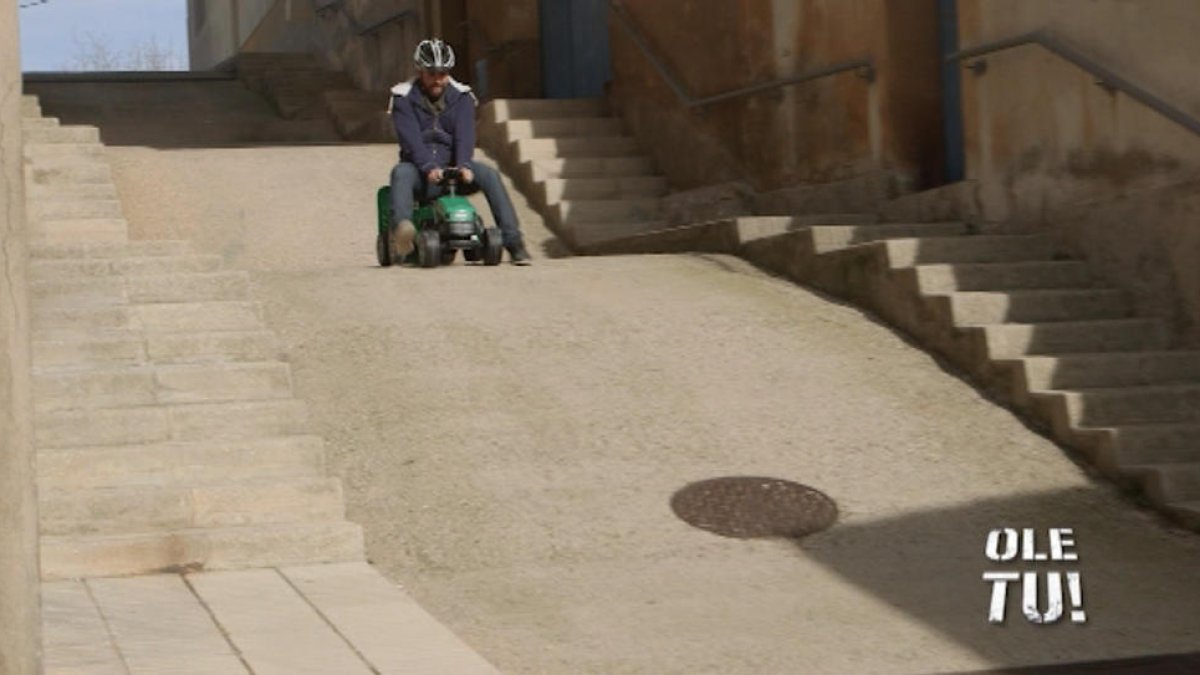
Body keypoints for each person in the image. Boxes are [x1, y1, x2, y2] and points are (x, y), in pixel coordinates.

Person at [388, 38, 532, 265]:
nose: (438, 79)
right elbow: (411, 141)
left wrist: (464, 165)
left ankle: (514, 243)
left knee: (489, 175)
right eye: (432, 74)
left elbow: (465, 135)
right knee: (400, 173)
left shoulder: (462, 97)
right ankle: (403, 232)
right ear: (421, 71)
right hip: (420, 172)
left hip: (453, 170)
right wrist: (427, 167)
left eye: (443, 74)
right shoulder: (403, 98)